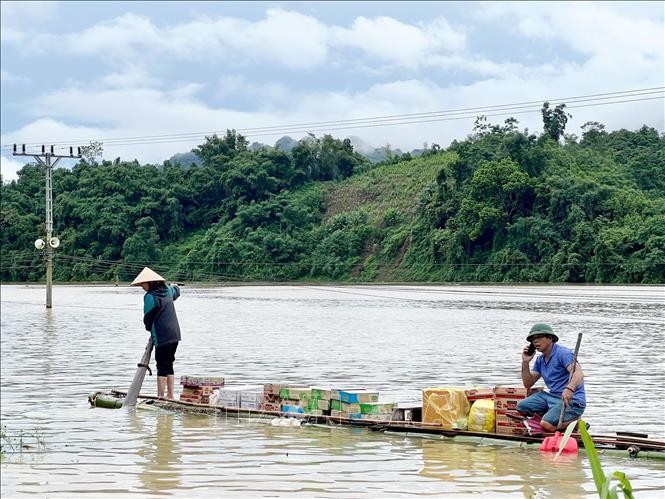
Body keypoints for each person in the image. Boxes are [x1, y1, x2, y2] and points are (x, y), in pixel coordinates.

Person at [517, 323, 586, 434]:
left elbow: (579, 374)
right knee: (522, 407)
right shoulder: (540, 360)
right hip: (552, 397)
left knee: (547, 424)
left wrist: (569, 389)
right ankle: (553, 417)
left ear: (550, 338)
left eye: (539, 337)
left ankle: (575, 421)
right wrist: (525, 362)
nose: (535, 341)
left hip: (572, 400)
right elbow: (528, 383)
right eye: (533, 339)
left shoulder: (563, 353)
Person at [131, 267, 181, 400]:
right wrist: (173, 285)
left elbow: (148, 317)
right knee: (169, 363)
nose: (142, 287)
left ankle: (160, 397)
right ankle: (170, 396)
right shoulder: (167, 291)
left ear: (151, 283)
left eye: (143, 284)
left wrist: (149, 328)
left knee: (161, 365)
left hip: (162, 335)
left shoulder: (150, 296)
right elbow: (177, 290)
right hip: (174, 334)